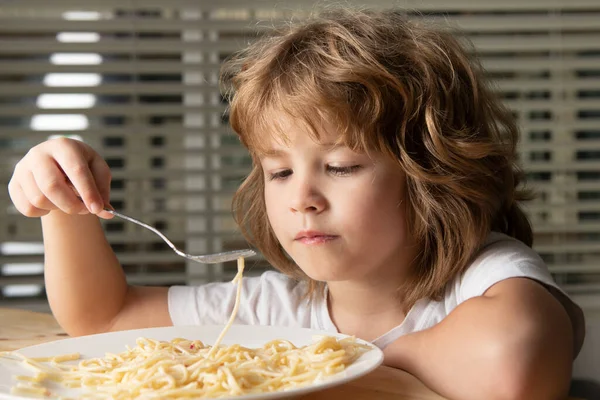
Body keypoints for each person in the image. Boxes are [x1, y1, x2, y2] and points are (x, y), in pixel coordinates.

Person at [8, 8, 584, 400]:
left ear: (432, 177)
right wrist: (65, 209)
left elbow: (515, 362)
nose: (302, 198)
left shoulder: (485, 275)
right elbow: (102, 318)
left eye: (340, 167)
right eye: (279, 171)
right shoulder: (274, 310)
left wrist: (351, 358)